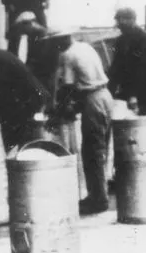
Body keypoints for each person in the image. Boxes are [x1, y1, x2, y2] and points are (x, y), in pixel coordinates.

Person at [49, 30, 114, 215]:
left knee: (92, 152)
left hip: (93, 100)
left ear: (62, 39)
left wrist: (57, 112)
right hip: (105, 96)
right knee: (101, 149)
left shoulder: (68, 54)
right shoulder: (85, 47)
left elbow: (68, 89)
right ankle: (99, 195)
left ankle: (98, 200)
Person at [107, 7, 146, 115]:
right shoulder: (120, 41)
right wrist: (108, 92)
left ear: (131, 20)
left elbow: (144, 69)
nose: (118, 25)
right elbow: (116, 68)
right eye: (117, 21)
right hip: (127, 93)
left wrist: (133, 95)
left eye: (120, 21)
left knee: (145, 125)